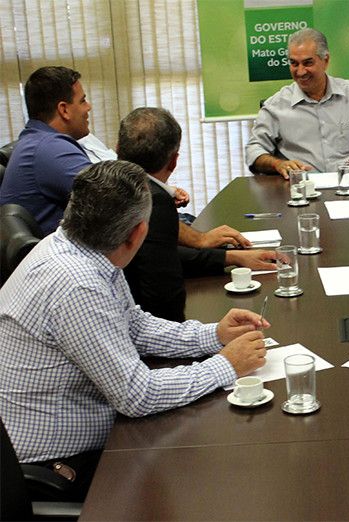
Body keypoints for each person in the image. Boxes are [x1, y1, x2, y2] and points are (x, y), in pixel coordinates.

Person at [0, 160, 269, 501]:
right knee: (214, 475)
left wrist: (212, 335)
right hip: (60, 462)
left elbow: (134, 325)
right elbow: (137, 395)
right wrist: (225, 365)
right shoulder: (77, 284)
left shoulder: (74, 244)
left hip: (88, 421)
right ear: (138, 232)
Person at [118, 107, 278, 321]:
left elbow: (158, 256)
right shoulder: (152, 200)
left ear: (118, 148)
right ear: (174, 162)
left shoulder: (106, 183)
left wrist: (232, 257)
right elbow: (164, 302)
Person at [245, 28, 349, 178]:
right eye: (294, 63)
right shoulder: (275, 105)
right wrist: (278, 164)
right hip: (301, 189)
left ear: (326, 61)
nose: (301, 71)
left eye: (308, 63)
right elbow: (254, 150)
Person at [0, 66, 93, 235]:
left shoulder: (35, 140)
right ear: (64, 110)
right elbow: (112, 198)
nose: (88, 108)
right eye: (82, 101)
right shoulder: (50, 147)